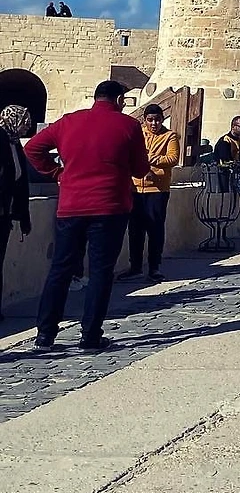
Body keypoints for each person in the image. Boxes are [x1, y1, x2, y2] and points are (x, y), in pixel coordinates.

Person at [25, 79, 151, 352]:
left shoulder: (68, 122)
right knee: (101, 272)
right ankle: (90, 336)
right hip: (109, 207)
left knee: (60, 269)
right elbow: (141, 169)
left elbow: (32, 149)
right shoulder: (128, 125)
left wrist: (56, 172)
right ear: (119, 100)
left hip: (71, 206)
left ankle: (45, 335)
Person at [124, 104, 180, 282]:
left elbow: (172, 158)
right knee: (135, 230)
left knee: (155, 228)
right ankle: (135, 267)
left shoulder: (170, 136)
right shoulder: (138, 134)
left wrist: (149, 159)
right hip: (135, 188)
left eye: (157, 120)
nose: (154, 123)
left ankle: (154, 267)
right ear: (145, 120)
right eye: (150, 120)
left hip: (157, 190)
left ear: (162, 119)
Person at [0, 105, 34, 317]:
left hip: (5, 213)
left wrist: (23, 216)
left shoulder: (13, 142)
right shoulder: (1, 139)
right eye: (25, 122)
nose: (27, 127)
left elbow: (20, 181)